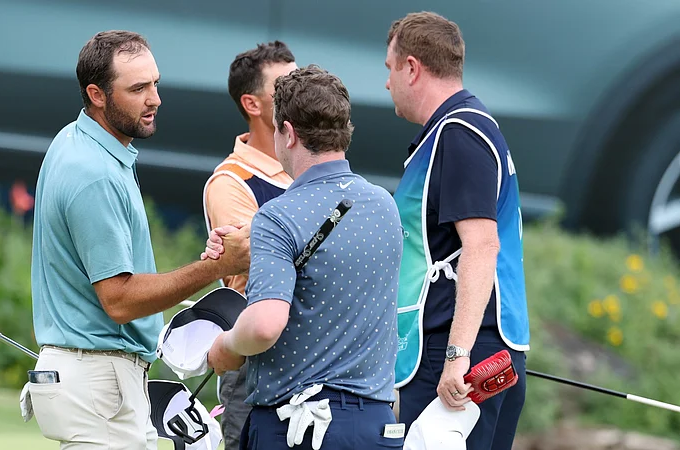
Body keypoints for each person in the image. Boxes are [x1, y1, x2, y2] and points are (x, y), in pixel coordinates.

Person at [27, 30, 249, 450]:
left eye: (155, 83)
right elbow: (120, 300)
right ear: (96, 94)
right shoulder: (93, 173)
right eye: (138, 88)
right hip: (99, 387)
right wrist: (217, 267)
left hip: (98, 382)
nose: (155, 99)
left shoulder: (82, 142)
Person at [205, 65, 405, 450]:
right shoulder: (384, 205)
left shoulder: (278, 215)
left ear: (289, 133)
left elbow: (264, 326)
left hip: (299, 428)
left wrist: (225, 347)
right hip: (376, 425)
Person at [384, 12, 530, 450]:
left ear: (412, 67)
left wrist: (456, 355)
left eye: (389, 70)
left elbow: (482, 245)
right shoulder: (458, 129)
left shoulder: (459, 131)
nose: (387, 83)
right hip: (479, 348)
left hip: (460, 354)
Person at [201, 41, 297, 450]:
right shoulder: (231, 182)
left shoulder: (308, 162)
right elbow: (258, 265)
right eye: (285, 86)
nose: (299, 91)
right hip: (254, 367)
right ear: (252, 104)